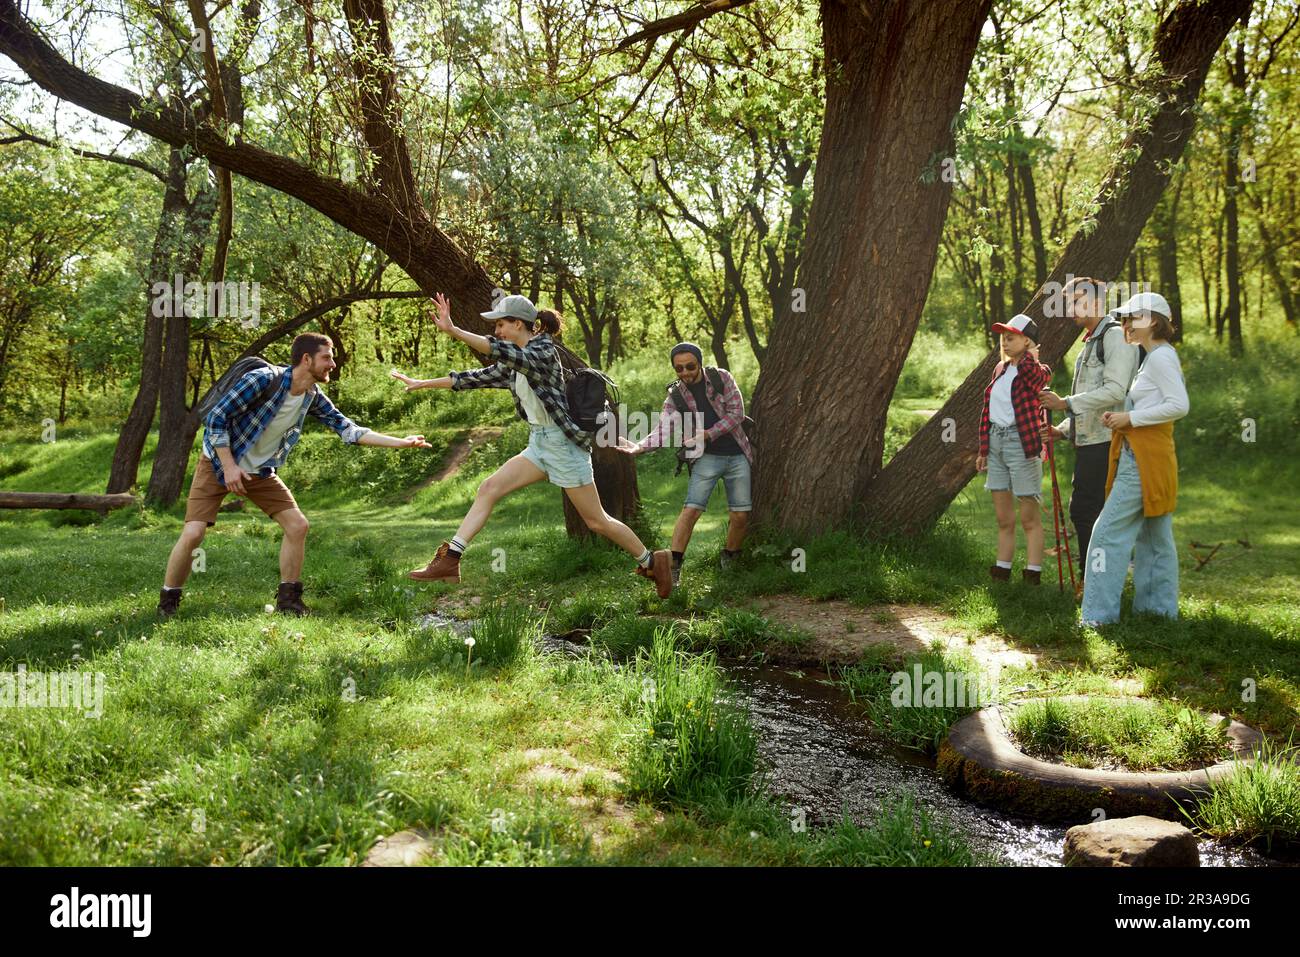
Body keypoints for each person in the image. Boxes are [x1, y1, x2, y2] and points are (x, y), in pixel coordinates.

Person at [391, 293, 674, 597]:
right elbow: (473, 378)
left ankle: (652, 560)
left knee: (597, 521)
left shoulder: (541, 352)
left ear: (519, 324)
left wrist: (454, 330)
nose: (497, 331)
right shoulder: (516, 359)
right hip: (540, 444)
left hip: (563, 447)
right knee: (489, 488)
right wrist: (421, 383)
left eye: (501, 324)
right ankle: (451, 559)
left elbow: (498, 350)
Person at [158, 332, 432, 618]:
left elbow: (349, 430)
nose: (333, 364)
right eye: (327, 357)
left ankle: (289, 601)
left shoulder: (312, 396)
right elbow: (216, 418)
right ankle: (168, 601)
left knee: (298, 526)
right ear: (306, 359)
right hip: (218, 462)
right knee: (194, 533)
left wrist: (401, 442)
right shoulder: (264, 380)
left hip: (260, 471)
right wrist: (228, 467)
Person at [1080, 292, 1188, 627]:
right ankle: (1158, 612)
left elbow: (1179, 405)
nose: (1125, 324)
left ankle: (1097, 618)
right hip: (1149, 457)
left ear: (1153, 321)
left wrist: (1129, 420)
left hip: (1143, 459)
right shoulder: (1156, 356)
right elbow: (1157, 405)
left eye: (1131, 318)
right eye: (1123, 319)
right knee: (1154, 535)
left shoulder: (1160, 358)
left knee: (1106, 534)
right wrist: (1123, 417)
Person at [618, 342, 753, 586]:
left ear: (699, 363)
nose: (685, 372)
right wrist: (640, 447)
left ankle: (730, 559)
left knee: (740, 515)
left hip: (736, 454)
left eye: (690, 366)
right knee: (691, 510)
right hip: (706, 458)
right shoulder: (676, 395)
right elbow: (663, 429)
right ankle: (673, 567)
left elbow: (737, 414)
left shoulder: (722, 378)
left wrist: (707, 434)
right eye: (679, 369)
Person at [1039, 277, 1140, 588]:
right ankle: (1102, 578)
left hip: (1107, 441)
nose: (1069, 307)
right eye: (1067, 301)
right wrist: (1062, 430)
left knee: (1087, 511)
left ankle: (1094, 582)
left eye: (1076, 299)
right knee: (1087, 510)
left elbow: (1115, 390)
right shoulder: (1091, 341)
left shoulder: (1114, 336)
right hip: (1089, 440)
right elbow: (1094, 401)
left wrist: (1064, 403)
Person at [976, 313, 1052, 584]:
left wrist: (1030, 355)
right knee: (1003, 516)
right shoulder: (1000, 369)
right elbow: (989, 411)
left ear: (1027, 340)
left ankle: (1033, 573)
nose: (1005, 343)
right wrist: (984, 449)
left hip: (1022, 444)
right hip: (996, 443)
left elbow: (1037, 380)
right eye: (1003, 338)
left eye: (1011, 338)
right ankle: (1002, 569)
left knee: (1029, 516)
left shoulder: (1037, 370)